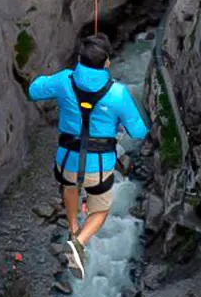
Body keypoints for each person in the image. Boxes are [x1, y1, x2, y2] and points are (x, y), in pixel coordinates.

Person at [26, 33, 148, 279]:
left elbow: (34, 90)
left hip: (67, 159)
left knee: (69, 187)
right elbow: (137, 131)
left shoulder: (64, 81)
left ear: (80, 59)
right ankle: (79, 241)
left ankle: (72, 228)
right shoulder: (117, 93)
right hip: (99, 165)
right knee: (100, 210)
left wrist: (51, 80)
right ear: (107, 64)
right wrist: (121, 124)